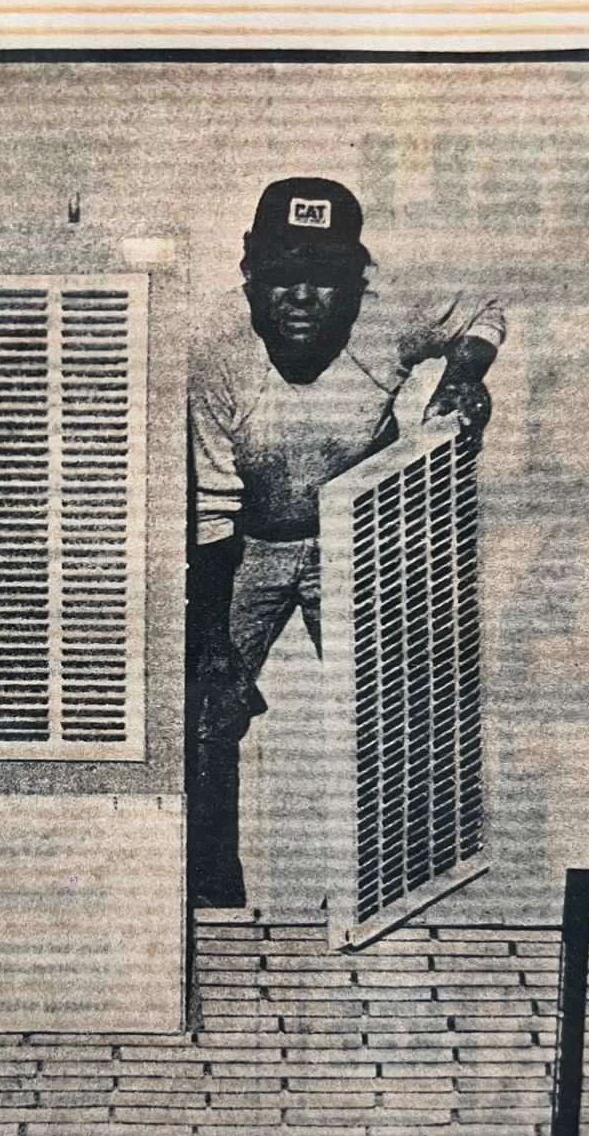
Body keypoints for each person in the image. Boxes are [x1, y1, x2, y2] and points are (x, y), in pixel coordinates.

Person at [186, 177, 505, 907]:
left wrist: (464, 372)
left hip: (350, 532)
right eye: (280, 274)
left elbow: (487, 310)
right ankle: (212, 902)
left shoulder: (389, 316)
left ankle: (404, 891)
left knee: (397, 700)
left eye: (324, 277)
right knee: (206, 711)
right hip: (245, 542)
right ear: (247, 276)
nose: (300, 295)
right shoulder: (211, 345)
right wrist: (213, 648)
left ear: (358, 283)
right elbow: (210, 511)